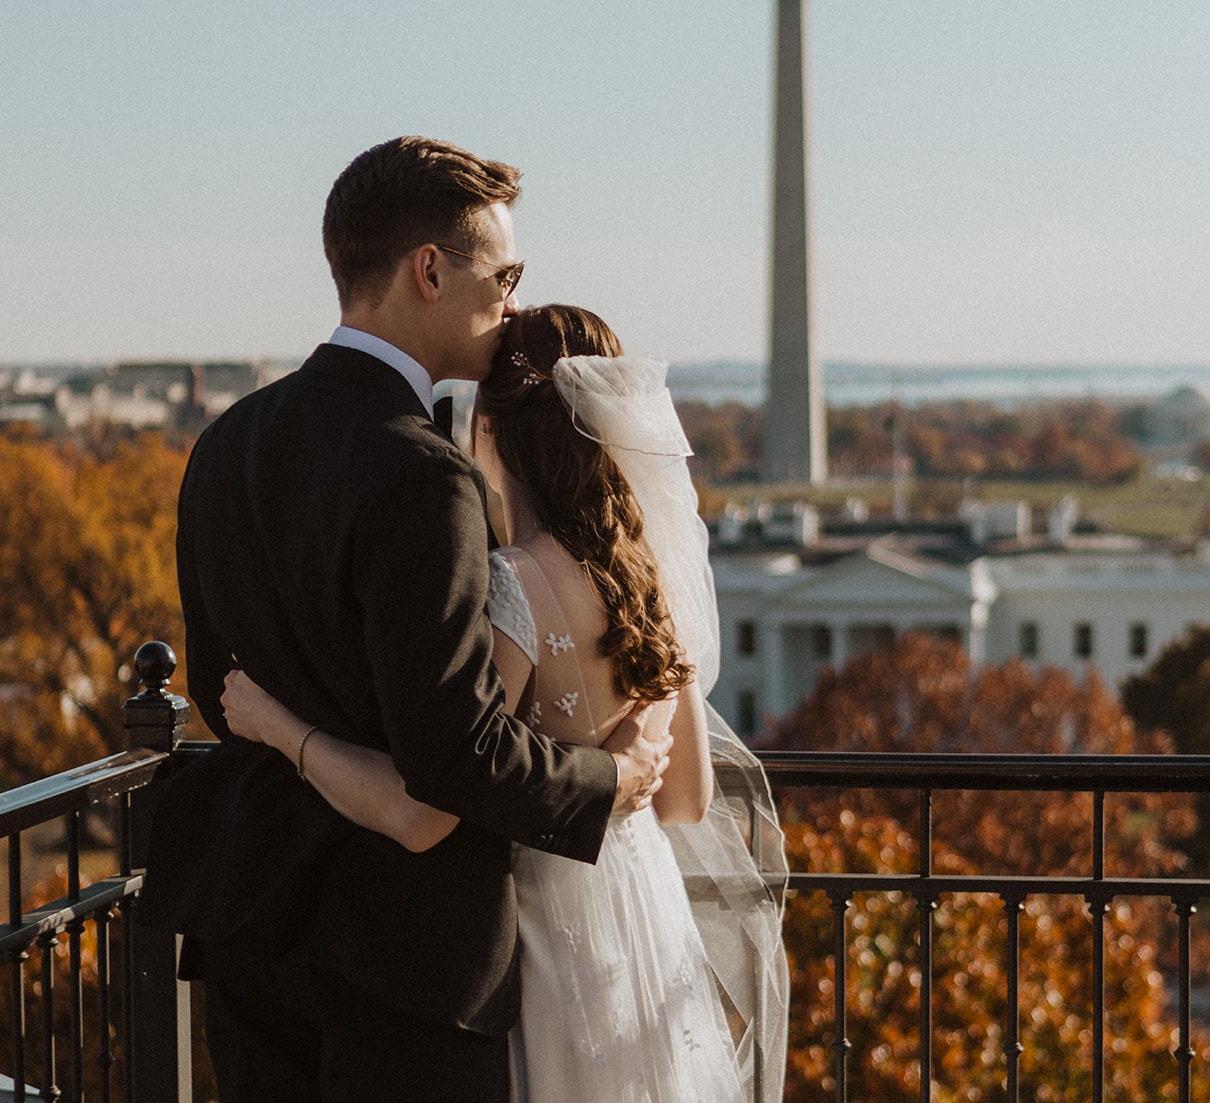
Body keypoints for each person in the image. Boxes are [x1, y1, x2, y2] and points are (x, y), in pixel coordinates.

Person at [136, 138, 671, 1103]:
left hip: (254, 929)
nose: (509, 303)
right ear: (430, 270)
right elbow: (454, 753)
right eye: (503, 276)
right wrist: (612, 778)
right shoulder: (424, 475)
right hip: (404, 965)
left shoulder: (225, 443)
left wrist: (297, 743)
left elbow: (225, 691)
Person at [220, 305, 789, 1103]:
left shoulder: (517, 584)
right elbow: (687, 800)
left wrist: (277, 725)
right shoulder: (647, 580)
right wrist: (617, 764)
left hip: (546, 940)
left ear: (488, 429)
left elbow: (427, 809)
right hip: (643, 927)